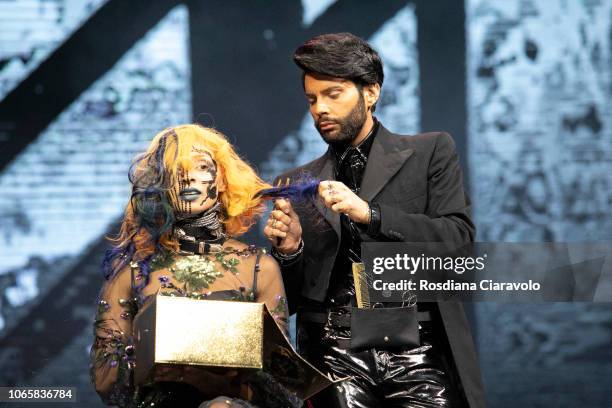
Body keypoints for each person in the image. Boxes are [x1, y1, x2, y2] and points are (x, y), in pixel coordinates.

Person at [264, 33, 485, 407]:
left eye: (333, 94)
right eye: (312, 99)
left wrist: (371, 215)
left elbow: (458, 242)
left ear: (371, 92)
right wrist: (289, 252)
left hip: (416, 345)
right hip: (334, 353)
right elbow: (290, 300)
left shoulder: (429, 152)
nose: (320, 109)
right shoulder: (296, 183)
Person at [90, 124, 297, 408]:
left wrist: (220, 383)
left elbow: (284, 387)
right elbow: (105, 383)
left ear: (222, 179)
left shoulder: (258, 268)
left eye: (200, 166)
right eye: (175, 171)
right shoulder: (134, 272)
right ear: (162, 185)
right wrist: (150, 360)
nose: (187, 178)